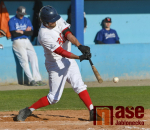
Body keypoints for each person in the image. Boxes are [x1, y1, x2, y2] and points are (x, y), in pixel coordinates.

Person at [16, 5, 95, 121]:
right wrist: (79, 57)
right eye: (52, 21)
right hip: (55, 65)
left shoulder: (56, 19)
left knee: (79, 85)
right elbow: (61, 52)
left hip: (69, 60)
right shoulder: (43, 35)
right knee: (53, 98)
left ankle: (92, 111)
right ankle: (28, 110)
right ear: (45, 22)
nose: (55, 22)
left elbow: (68, 33)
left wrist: (80, 46)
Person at [8, 6, 46, 86]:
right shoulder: (12, 20)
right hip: (17, 42)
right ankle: (31, 80)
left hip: (27, 41)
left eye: (23, 14)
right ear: (17, 12)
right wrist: (25, 31)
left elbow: (31, 33)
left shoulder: (26, 20)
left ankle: (38, 79)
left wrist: (21, 32)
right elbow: (14, 34)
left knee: (34, 58)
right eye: (20, 14)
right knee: (24, 61)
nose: (22, 15)